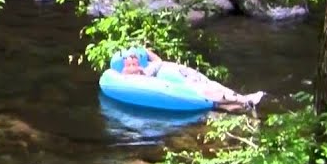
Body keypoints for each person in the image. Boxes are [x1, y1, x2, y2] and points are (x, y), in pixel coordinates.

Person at [114, 47, 265, 110]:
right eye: (129, 63)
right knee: (212, 99)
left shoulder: (147, 68)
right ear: (124, 66)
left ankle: (245, 101)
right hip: (181, 84)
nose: (133, 65)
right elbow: (123, 79)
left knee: (212, 86)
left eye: (135, 62)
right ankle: (244, 101)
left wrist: (146, 51)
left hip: (180, 77)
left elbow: (158, 61)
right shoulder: (125, 75)